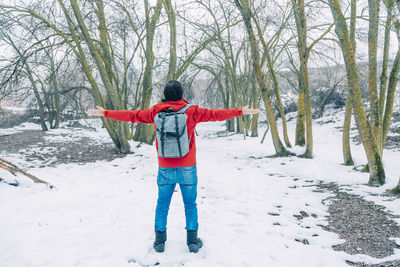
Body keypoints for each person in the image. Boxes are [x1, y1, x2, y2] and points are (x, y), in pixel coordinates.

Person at [87, 80, 260, 253]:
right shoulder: (192, 111)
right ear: (182, 95)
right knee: (190, 205)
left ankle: (160, 242)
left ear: (165, 95)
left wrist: (106, 113)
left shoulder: (155, 111)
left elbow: (133, 115)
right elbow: (216, 114)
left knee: (162, 205)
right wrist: (240, 111)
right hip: (188, 167)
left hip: (165, 167)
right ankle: (192, 242)